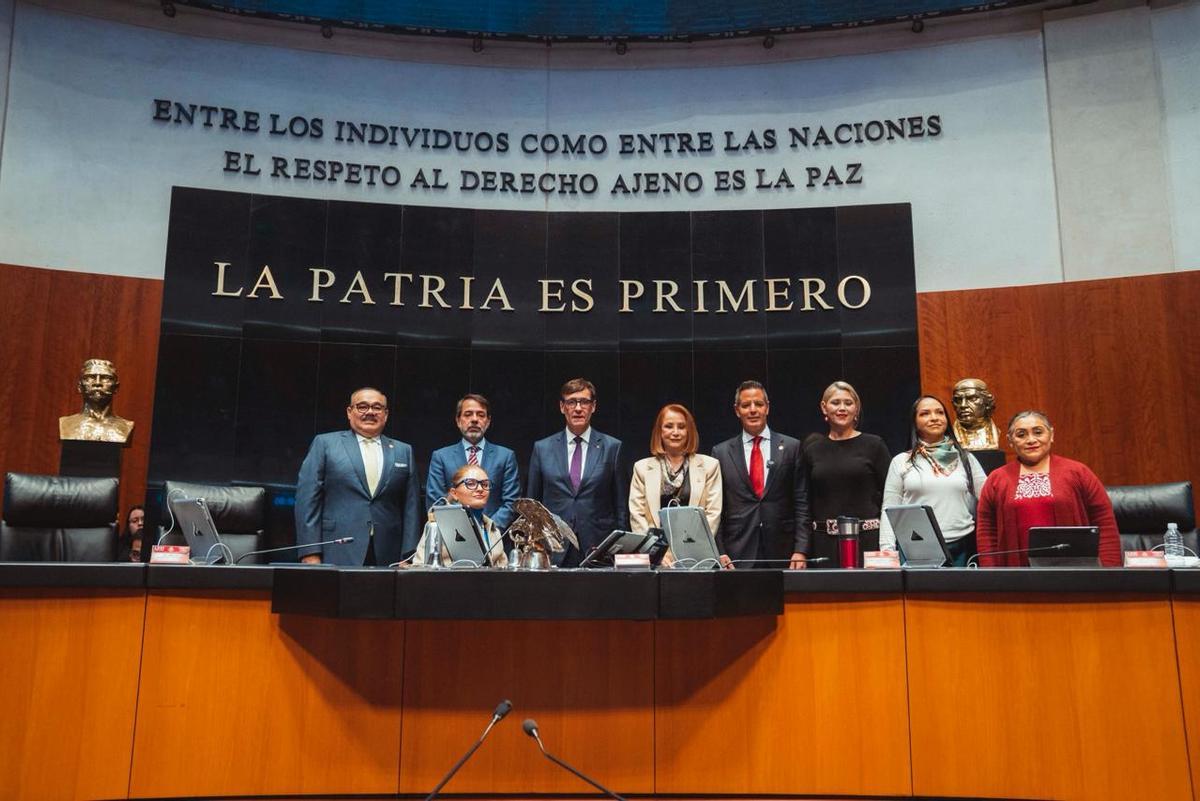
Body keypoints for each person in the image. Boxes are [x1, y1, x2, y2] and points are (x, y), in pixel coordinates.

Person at [295, 387, 422, 566]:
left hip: (389, 552)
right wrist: (310, 552)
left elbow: (411, 507)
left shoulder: (403, 451)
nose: (370, 412)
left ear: (385, 414)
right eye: (362, 406)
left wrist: (409, 555)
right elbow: (307, 501)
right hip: (336, 548)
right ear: (349, 412)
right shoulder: (325, 444)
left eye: (377, 407)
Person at [975, 410, 1121, 567]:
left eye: (1038, 432)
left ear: (1051, 435)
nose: (1031, 440)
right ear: (1010, 441)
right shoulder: (997, 479)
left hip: (1074, 572)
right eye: (1021, 435)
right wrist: (991, 576)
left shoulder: (1078, 472)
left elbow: (1104, 523)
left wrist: (1109, 571)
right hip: (1017, 576)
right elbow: (987, 533)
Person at [527, 378, 627, 567]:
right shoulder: (542, 448)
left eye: (584, 402)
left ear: (594, 406)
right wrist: (535, 544)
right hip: (553, 546)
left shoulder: (613, 448)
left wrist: (618, 547)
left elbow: (620, 505)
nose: (578, 408)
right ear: (562, 407)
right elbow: (533, 503)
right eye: (571, 402)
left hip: (599, 546)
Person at [880, 396, 987, 566]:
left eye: (940, 412)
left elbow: (988, 501)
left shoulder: (966, 459)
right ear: (915, 422)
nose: (934, 417)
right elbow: (889, 509)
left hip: (963, 546)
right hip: (917, 548)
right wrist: (887, 551)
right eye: (925, 413)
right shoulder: (901, 461)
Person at [711, 380, 807, 569]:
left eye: (759, 404)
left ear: (767, 408)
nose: (753, 410)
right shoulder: (721, 452)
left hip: (784, 551)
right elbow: (716, 508)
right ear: (737, 410)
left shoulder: (792, 447)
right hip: (737, 552)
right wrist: (720, 551)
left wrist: (801, 549)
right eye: (746, 405)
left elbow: (801, 501)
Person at [799, 381, 891, 566]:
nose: (842, 408)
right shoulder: (812, 450)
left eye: (848, 403)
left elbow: (890, 498)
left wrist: (888, 544)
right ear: (824, 408)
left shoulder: (874, 445)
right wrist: (802, 550)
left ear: (856, 409)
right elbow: (805, 502)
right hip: (823, 544)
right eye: (835, 402)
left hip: (869, 542)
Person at [629, 403, 726, 566]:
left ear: (689, 431)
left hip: (697, 557)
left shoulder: (710, 466)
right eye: (668, 426)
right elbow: (637, 517)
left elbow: (712, 515)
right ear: (660, 431)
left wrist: (688, 551)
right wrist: (657, 554)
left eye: (681, 427)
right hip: (656, 559)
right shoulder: (642, 468)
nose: (675, 432)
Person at [426, 394, 520, 531]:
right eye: (468, 414)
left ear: (488, 422)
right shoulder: (441, 457)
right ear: (458, 421)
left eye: (481, 415)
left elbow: (511, 502)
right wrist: (464, 533)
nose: (474, 419)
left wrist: (487, 530)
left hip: (494, 539)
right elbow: (436, 501)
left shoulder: (505, 457)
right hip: (453, 539)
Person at [412, 464, 508, 567]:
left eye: (485, 484)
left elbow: (504, 572)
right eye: (471, 484)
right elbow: (420, 566)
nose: (480, 489)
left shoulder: (493, 528)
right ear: (454, 493)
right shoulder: (439, 524)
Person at [58, 358, 135, 443]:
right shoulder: (65, 424)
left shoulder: (126, 426)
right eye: (90, 378)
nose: (97, 383)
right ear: (80, 387)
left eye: (106, 378)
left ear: (116, 388)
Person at [951, 378, 1001, 451]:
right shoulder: (950, 437)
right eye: (958, 400)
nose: (963, 405)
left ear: (986, 402)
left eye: (972, 398)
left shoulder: (996, 432)